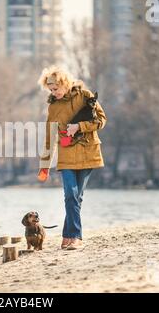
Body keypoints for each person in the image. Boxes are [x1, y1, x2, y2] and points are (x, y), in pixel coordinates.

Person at [37, 66, 107, 250]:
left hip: (88, 152)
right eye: (50, 89)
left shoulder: (85, 96)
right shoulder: (53, 107)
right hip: (66, 156)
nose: (54, 92)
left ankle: (69, 235)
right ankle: (75, 236)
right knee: (71, 195)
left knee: (77, 197)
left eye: (56, 88)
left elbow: (101, 120)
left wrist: (79, 127)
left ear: (65, 83)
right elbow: (50, 137)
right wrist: (44, 166)